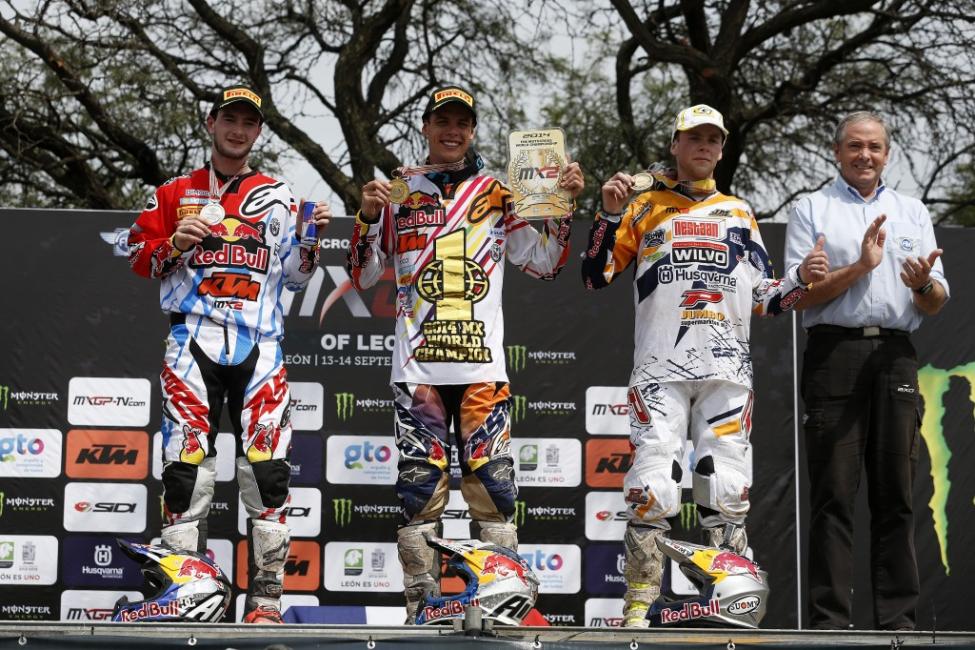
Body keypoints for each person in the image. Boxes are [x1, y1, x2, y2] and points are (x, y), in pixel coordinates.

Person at [580, 104, 829, 628]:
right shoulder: (644, 205)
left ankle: (730, 599)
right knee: (654, 487)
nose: (705, 147)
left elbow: (766, 298)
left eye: (713, 139)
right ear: (675, 144)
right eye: (694, 137)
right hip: (659, 369)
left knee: (727, 488)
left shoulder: (739, 212)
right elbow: (595, 275)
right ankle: (639, 608)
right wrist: (606, 214)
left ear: (721, 148)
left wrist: (800, 278)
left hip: (728, 370)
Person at [347, 85, 584, 622]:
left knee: (495, 493)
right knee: (418, 496)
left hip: (482, 371)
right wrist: (364, 216)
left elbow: (546, 263)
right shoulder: (399, 191)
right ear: (426, 127)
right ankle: (419, 609)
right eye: (442, 121)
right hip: (418, 372)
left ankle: (505, 603)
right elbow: (362, 274)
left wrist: (564, 206)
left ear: (473, 131)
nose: (453, 131)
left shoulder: (500, 192)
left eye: (463, 122)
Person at [127, 85, 332, 624]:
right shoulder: (174, 191)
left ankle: (265, 603)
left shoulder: (281, 195)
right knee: (185, 472)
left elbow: (296, 277)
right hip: (192, 340)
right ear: (211, 123)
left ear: (258, 132)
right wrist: (174, 243)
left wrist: (311, 243)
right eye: (230, 120)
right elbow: (137, 257)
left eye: (249, 123)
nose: (238, 130)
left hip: (259, 345)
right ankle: (185, 596)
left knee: (268, 474)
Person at [784, 111, 948, 630]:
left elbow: (936, 301)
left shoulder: (912, 210)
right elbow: (800, 295)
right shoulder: (812, 208)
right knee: (833, 494)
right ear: (837, 153)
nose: (865, 156)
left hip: (895, 355)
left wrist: (922, 284)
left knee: (896, 493)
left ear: (887, 154)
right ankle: (829, 625)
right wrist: (860, 268)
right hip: (833, 352)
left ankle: (898, 624)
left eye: (874, 147)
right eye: (855, 146)